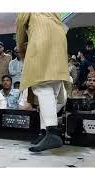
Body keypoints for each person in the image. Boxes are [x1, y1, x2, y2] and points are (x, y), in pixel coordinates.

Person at [16, 13, 69, 152]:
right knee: (53, 83)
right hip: (60, 38)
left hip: (42, 37)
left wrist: (20, 46)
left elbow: (21, 23)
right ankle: (44, 132)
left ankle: (52, 133)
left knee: (41, 85)